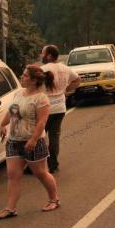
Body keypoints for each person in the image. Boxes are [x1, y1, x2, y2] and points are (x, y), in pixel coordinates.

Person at [0, 65, 60, 219]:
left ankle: (54, 199)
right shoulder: (19, 94)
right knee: (13, 175)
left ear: (34, 80)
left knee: (41, 173)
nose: (21, 77)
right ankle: (10, 208)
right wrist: (3, 124)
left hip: (33, 142)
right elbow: (12, 112)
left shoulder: (41, 98)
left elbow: (42, 122)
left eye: (24, 76)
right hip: (14, 141)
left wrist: (33, 139)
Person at [40, 45, 81, 174]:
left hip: (44, 108)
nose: (41, 55)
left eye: (43, 53)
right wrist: (65, 90)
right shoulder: (65, 68)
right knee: (54, 137)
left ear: (49, 56)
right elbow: (78, 80)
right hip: (60, 108)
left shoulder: (43, 69)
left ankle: (35, 165)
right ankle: (53, 165)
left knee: (39, 137)